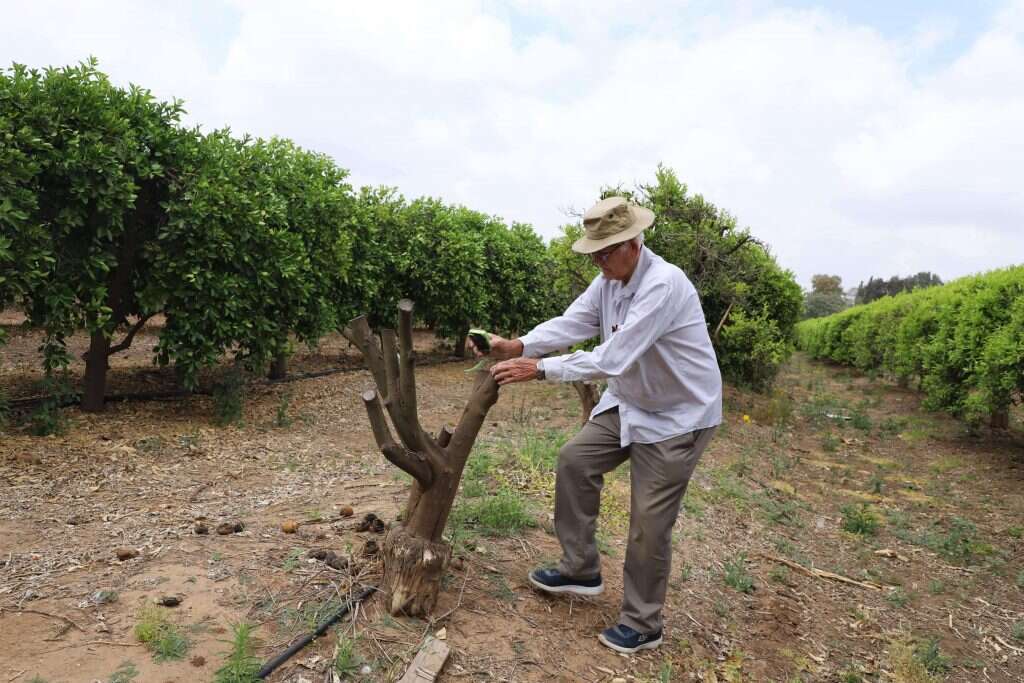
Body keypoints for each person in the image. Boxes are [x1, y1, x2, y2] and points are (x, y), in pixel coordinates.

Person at [475, 196, 722, 654]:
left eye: (605, 251)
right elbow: (574, 323)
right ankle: (580, 568)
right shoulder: (608, 279)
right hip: (631, 399)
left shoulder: (663, 285)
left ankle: (644, 622)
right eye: (594, 252)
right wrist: (519, 345)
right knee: (575, 460)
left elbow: (614, 356)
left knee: (648, 520)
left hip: (678, 415)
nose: (598, 260)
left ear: (633, 243)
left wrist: (541, 369)